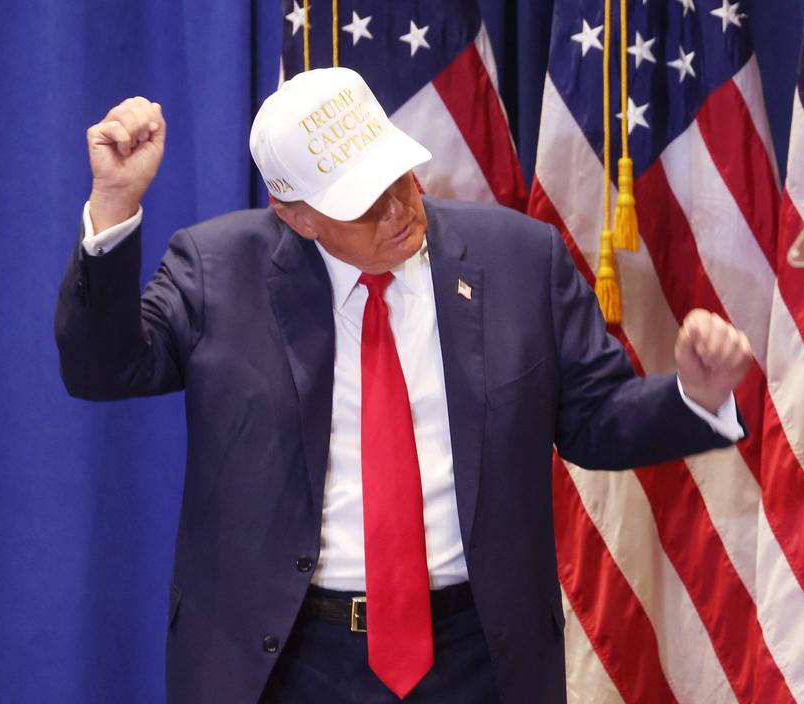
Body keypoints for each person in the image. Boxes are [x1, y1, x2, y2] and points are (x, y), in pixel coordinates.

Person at [55, 67, 752, 704]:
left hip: (477, 657)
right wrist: (115, 203)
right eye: (364, 202)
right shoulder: (215, 271)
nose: (397, 210)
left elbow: (597, 419)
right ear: (295, 213)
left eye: (399, 178)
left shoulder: (518, 260)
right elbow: (102, 369)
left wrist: (695, 392)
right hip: (287, 661)